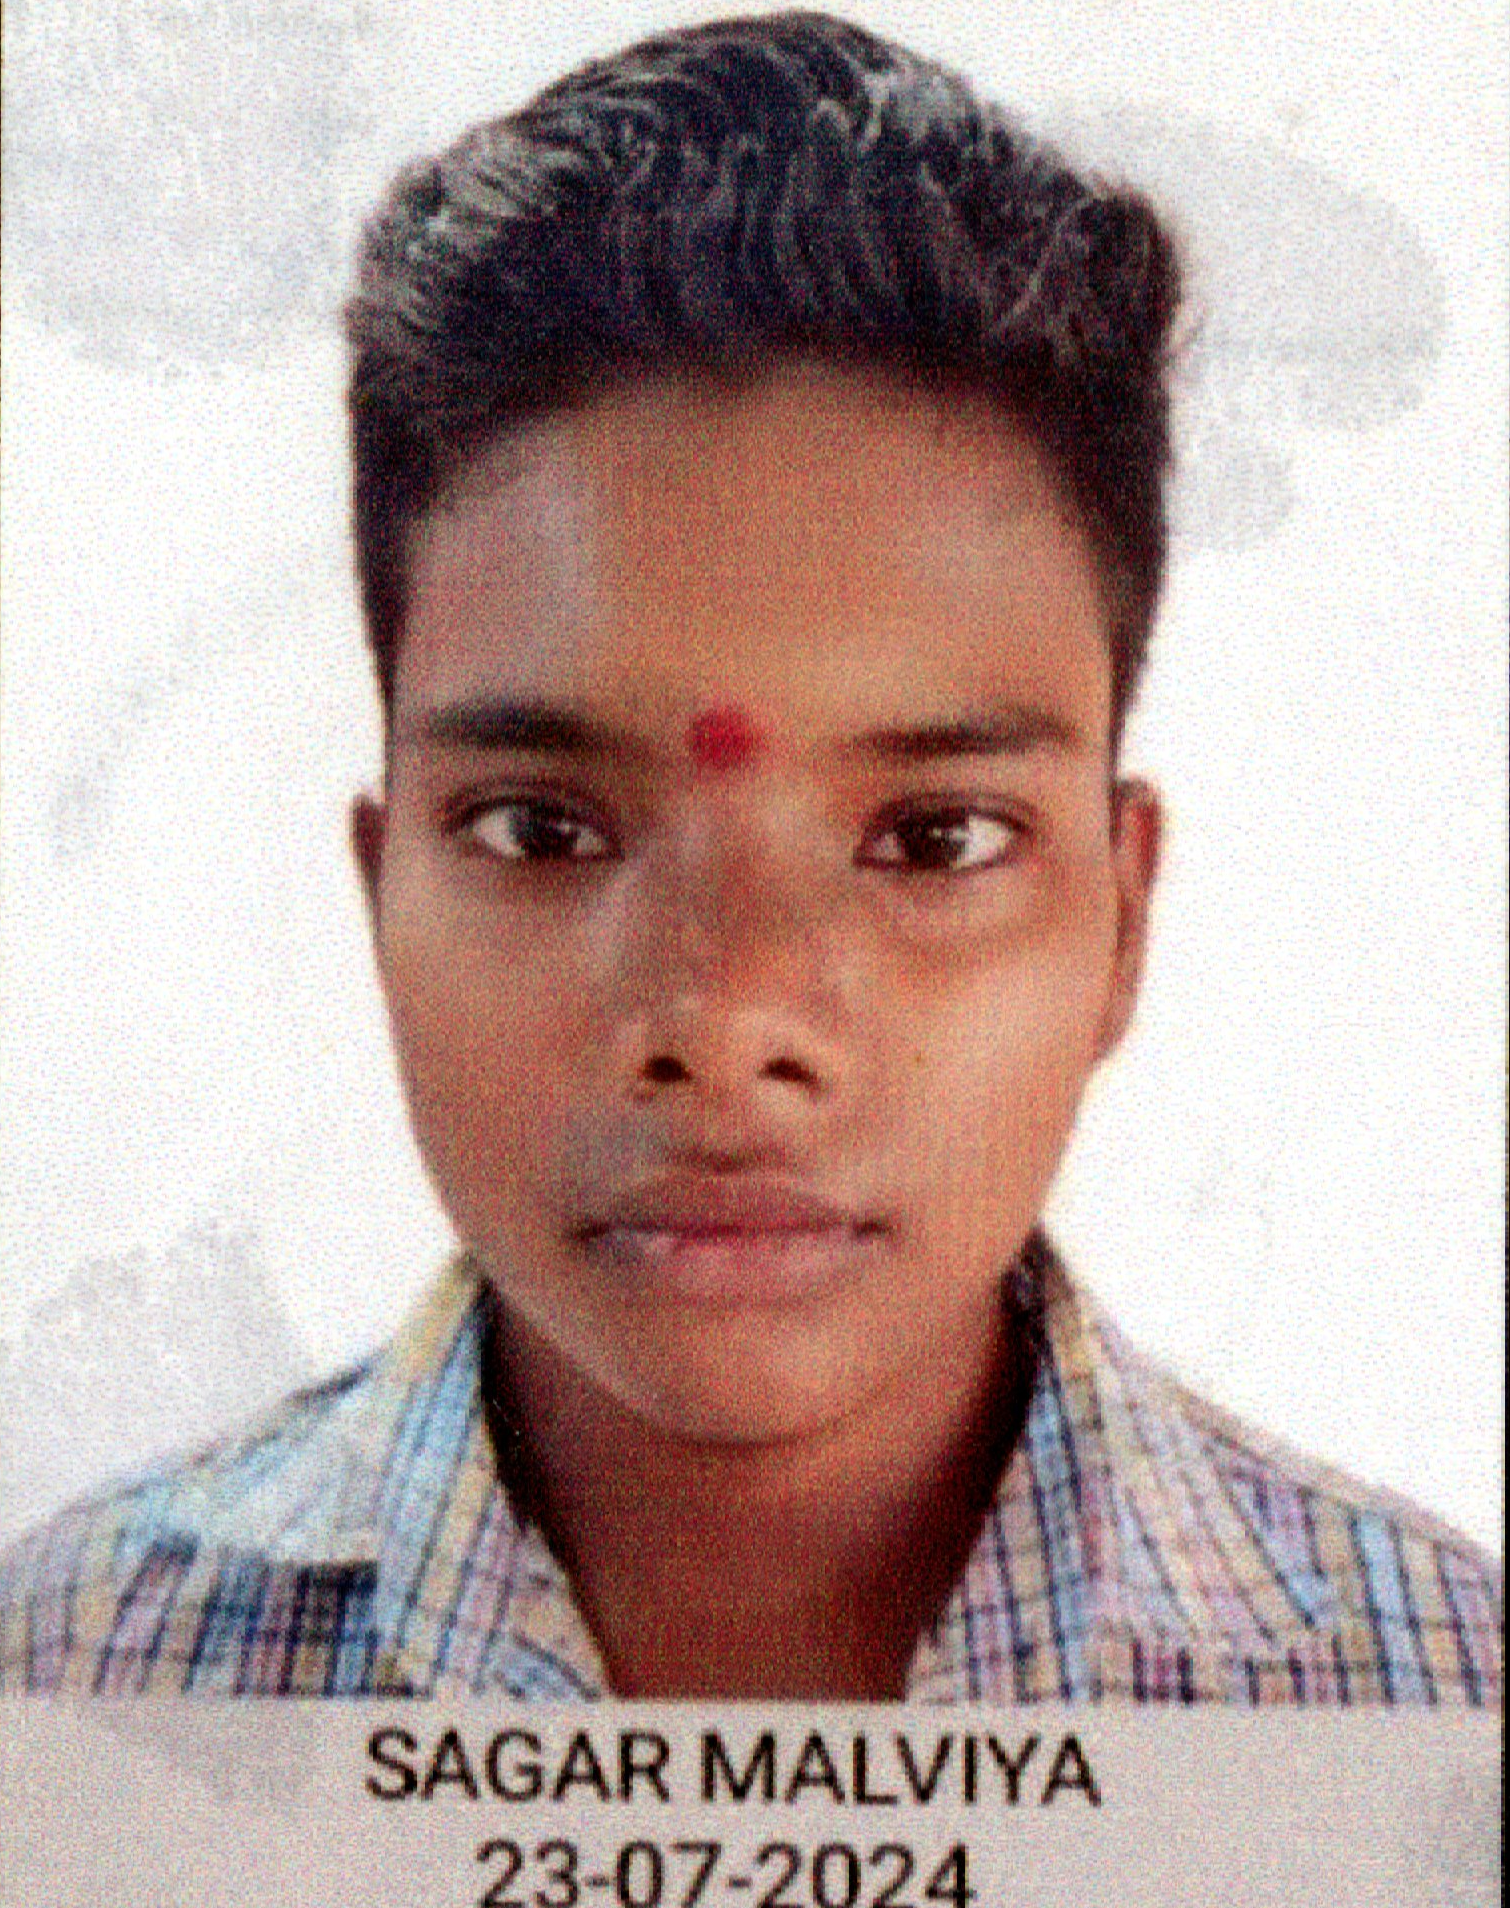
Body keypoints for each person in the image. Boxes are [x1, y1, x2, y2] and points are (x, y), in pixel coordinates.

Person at [1, 9, 1499, 1704]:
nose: (724, 1020)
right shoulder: (57, 1700)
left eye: (933, 838)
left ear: (1122, 917)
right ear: (379, 893)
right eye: (541, 829)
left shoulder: (1439, 1714)